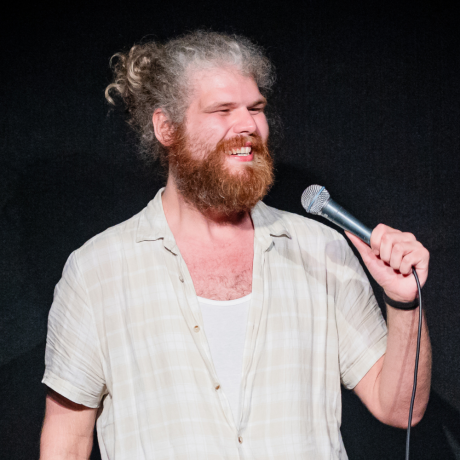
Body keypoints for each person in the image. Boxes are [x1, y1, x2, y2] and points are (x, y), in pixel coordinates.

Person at [39, 31, 431, 460]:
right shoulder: (98, 271)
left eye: (256, 108)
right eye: (223, 109)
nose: (248, 125)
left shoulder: (322, 249)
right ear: (166, 127)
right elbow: (68, 440)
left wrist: (404, 304)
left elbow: (398, 408)